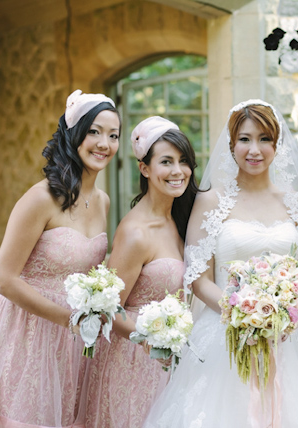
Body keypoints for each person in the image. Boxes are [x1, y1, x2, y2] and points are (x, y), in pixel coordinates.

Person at [143, 99, 298, 428]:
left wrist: (287, 309)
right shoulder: (211, 200)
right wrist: (241, 313)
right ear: (231, 144)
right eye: (245, 139)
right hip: (225, 333)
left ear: (276, 145)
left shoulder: (295, 202)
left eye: (265, 139)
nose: (255, 149)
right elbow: (199, 276)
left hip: (289, 338)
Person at [0, 89, 120, 428]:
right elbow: (1, 278)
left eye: (113, 135)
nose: (104, 143)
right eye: (94, 132)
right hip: (25, 335)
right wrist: (68, 319)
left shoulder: (102, 201)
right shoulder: (41, 197)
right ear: (74, 135)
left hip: (70, 343)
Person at [81, 117, 200, 427]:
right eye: (166, 162)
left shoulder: (181, 218)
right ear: (144, 168)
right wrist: (150, 340)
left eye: (183, 160)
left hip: (172, 363)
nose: (178, 171)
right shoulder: (137, 233)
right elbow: (107, 307)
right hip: (135, 364)